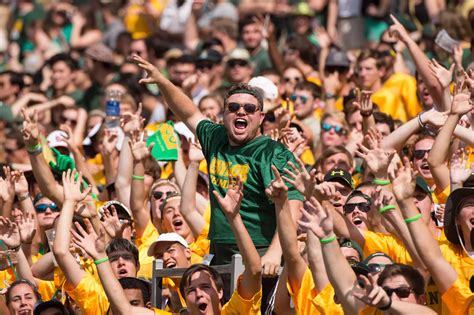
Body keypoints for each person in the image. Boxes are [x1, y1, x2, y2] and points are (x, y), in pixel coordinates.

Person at [133, 54, 304, 274]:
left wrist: (274, 252)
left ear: (261, 117)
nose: (241, 112)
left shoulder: (273, 153)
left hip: (260, 252)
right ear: (224, 114)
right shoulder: (216, 138)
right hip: (219, 252)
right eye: (233, 107)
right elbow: (188, 112)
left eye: (249, 109)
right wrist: (163, 82)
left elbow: (293, 206)